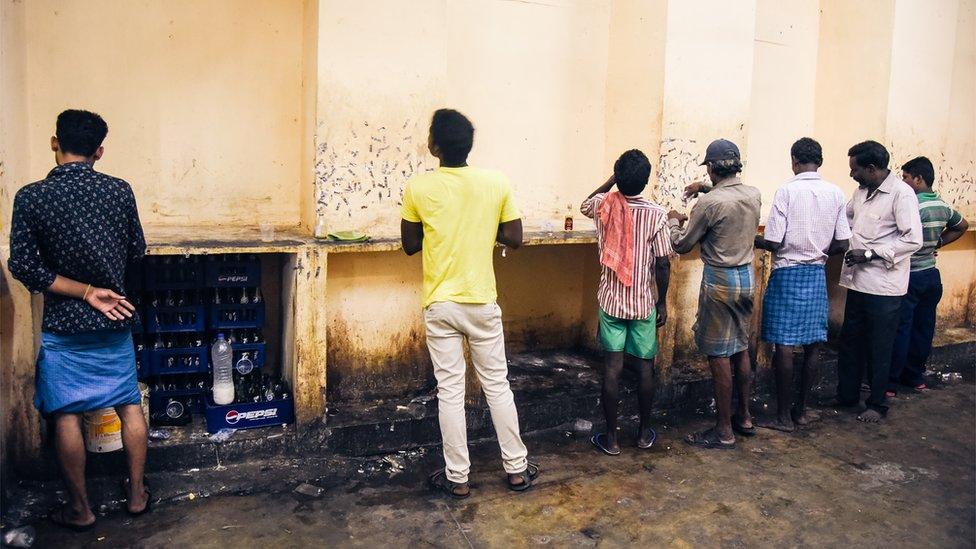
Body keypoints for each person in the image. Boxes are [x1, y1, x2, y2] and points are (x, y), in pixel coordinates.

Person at [8, 110, 150, 530]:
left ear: (55, 143)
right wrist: (103, 289)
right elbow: (136, 251)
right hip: (114, 320)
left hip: (64, 327)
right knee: (129, 405)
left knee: (67, 415)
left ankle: (80, 509)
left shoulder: (31, 197)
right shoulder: (119, 191)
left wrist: (84, 292)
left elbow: (26, 268)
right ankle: (138, 495)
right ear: (99, 151)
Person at [400, 108, 537, 498]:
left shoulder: (418, 188)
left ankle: (457, 477)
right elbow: (514, 237)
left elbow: (411, 245)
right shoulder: (495, 183)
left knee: (450, 391)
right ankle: (516, 469)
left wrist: (442, 227)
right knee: (497, 385)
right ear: (469, 144)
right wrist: (479, 224)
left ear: (434, 145)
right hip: (480, 300)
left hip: (440, 303)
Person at [669, 139, 761, 449]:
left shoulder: (708, 205)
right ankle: (744, 417)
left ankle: (723, 430)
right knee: (740, 347)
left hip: (720, 279)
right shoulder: (753, 194)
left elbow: (682, 244)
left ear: (711, 168)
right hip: (747, 277)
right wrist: (708, 188)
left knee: (718, 356)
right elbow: (728, 197)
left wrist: (672, 221)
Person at [753, 138, 851, 432]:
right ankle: (802, 410)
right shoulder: (836, 193)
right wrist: (819, 252)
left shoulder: (787, 191)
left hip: (786, 272)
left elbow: (773, 241)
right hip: (816, 274)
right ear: (819, 161)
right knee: (812, 346)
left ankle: (783, 417)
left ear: (794, 160)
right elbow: (843, 242)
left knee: (783, 345)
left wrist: (751, 238)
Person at [580, 150, 673, 456]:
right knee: (646, 369)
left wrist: (611, 181)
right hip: (643, 303)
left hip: (612, 302)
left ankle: (611, 438)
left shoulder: (604, 204)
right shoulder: (657, 215)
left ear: (618, 176)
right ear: (646, 181)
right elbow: (662, 263)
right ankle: (644, 433)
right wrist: (661, 303)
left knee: (612, 368)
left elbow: (584, 204)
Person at [835, 141, 922, 423]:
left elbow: (913, 239)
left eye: (855, 169)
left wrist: (871, 253)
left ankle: (877, 403)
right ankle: (847, 396)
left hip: (884, 287)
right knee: (850, 342)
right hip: (858, 282)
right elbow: (845, 218)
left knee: (879, 346)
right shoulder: (860, 193)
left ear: (872, 168)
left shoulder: (901, 194)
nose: (852, 175)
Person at [887, 156, 969, 395]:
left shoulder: (913, 206)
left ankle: (891, 382)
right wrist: (939, 242)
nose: (903, 183)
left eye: (906, 178)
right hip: (931, 275)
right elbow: (961, 225)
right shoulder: (942, 205)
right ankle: (914, 377)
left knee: (901, 328)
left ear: (919, 179)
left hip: (910, 274)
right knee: (923, 328)